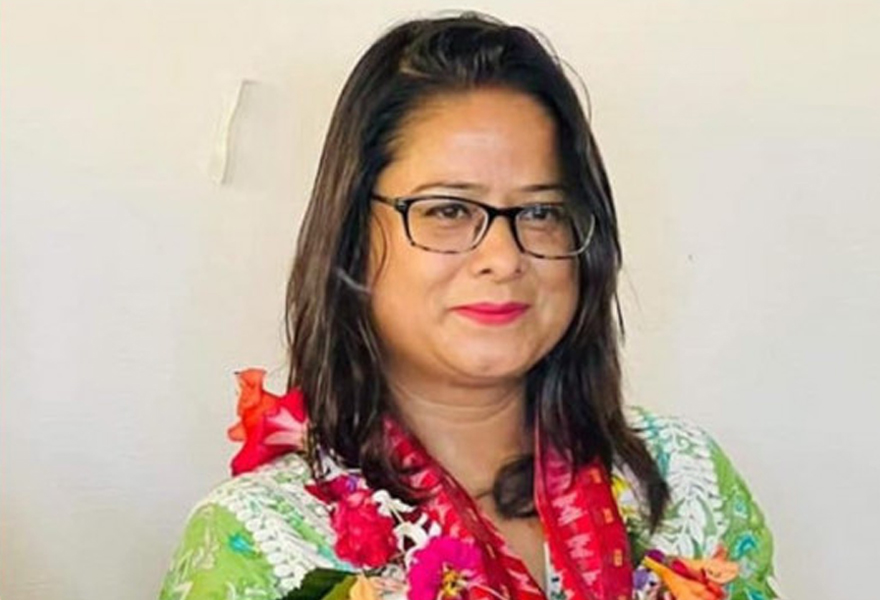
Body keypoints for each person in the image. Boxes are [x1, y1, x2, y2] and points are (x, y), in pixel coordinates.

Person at [160, 13, 779, 600]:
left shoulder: (681, 485)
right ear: (352, 238)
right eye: (449, 210)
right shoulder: (268, 539)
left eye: (540, 212)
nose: (504, 258)